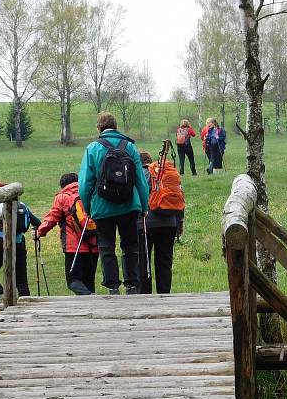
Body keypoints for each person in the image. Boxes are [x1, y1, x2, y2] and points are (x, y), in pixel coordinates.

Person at [79, 112, 149, 295]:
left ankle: (112, 287)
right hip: (129, 204)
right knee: (130, 246)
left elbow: (85, 183)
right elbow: (140, 180)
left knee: (106, 247)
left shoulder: (92, 148)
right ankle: (132, 285)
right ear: (116, 127)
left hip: (102, 207)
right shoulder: (130, 147)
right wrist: (144, 206)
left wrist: (87, 207)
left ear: (99, 128)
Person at [35, 173, 99, 295]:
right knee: (89, 281)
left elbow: (53, 218)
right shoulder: (89, 193)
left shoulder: (63, 197)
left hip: (73, 247)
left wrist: (39, 231)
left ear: (63, 185)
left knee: (73, 281)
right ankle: (90, 306)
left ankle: (89, 297)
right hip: (94, 244)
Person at [140, 147, 185, 294]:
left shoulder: (140, 174)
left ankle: (145, 296)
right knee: (164, 262)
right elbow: (179, 199)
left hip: (145, 224)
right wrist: (179, 223)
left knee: (144, 262)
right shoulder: (164, 174)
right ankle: (164, 294)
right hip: (169, 222)